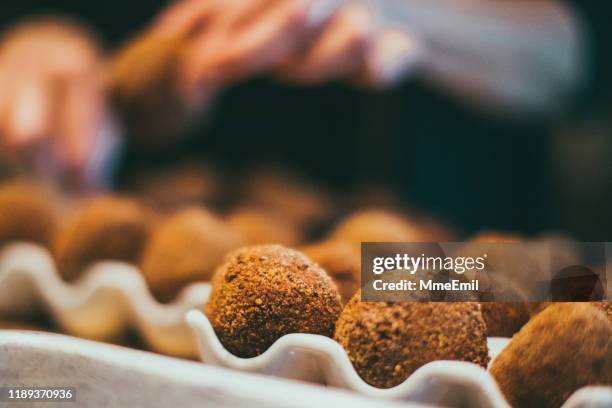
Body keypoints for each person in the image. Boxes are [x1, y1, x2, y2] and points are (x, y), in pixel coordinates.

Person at [0, 0, 609, 235]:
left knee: (507, 282)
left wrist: (405, 12)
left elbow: (583, 49)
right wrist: (34, 31)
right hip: (148, 223)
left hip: (452, 255)